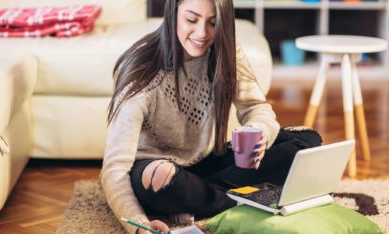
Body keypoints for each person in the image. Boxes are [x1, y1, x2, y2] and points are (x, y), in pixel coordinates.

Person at [100, 0, 322, 233]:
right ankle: (246, 199)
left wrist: (260, 133)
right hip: (161, 174)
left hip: (208, 164)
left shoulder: (226, 51)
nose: (202, 33)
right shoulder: (141, 72)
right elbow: (114, 169)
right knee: (162, 176)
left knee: (306, 141)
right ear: (173, 14)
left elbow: (256, 107)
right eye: (191, 20)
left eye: (213, 23)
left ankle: (203, 201)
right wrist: (139, 224)